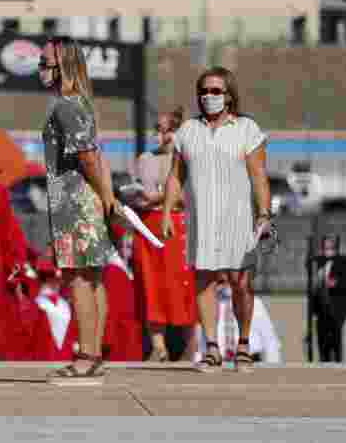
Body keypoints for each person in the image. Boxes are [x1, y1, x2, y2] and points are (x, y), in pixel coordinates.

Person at [162, 66, 272, 373]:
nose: (208, 96)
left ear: (229, 95)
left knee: (241, 283)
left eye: (215, 91)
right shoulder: (187, 131)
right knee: (204, 280)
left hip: (239, 217)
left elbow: (259, 176)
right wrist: (169, 212)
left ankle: (244, 344)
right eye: (204, 91)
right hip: (201, 218)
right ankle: (211, 347)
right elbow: (175, 176)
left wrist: (264, 213)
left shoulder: (247, 128)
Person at [37, 36, 120, 382]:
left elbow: (87, 158)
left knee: (78, 280)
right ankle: (95, 352)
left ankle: (86, 355)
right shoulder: (80, 102)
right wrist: (108, 197)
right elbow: (96, 155)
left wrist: (105, 195)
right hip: (87, 201)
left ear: (63, 66)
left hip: (74, 203)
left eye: (45, 63)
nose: (39, 69)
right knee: (94, 278)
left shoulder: (65, 105)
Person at [126, 107, 196, 362]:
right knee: (150, 284)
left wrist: (159, 197)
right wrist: (141, 198)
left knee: (183, 284)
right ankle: (158, 345)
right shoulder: (146, 159)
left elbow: (187, 196)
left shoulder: (189, 159)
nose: (160, 137)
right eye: (157, 131)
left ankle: (191, 343)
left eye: (166, 131)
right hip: (148, 225)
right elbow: (138, 193)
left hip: (177, 227)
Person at [194, 277, 282, 364]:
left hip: (251, 360)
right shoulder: (206, 304)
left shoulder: (255, 303)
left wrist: (273, 365)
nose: (224, 284)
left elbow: (270, 342)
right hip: (217, 362)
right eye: (221, 281)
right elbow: (199, 343)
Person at [101, 228, 144, 361]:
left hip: (125, 337)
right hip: (124, 337)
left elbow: (111, 312)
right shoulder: (115, 270)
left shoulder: (119, 271)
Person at [311, 235, 346, 362]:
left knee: (336, 343)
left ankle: (338, 365)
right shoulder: (319, 263)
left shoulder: (342, 262)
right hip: (322, 311)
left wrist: (336, 283)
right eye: (325, 247)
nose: (327, 250)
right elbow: (315, 287)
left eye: (330, 247)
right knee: (323, 343)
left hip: (337, 310)